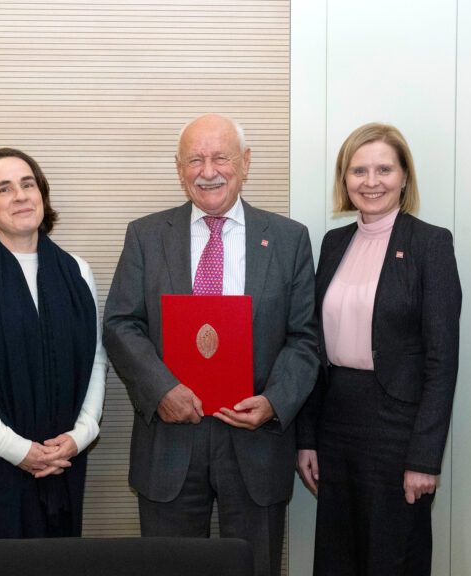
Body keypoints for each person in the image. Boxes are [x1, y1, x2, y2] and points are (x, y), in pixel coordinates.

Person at [103, 114, 319, 576]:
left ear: (245, 162)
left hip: (257, 441)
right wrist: (161, 390)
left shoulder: (288, 239)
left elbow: (305, 338)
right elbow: (121, 324)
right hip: (170, 442)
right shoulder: (145, 236)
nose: (208, 170)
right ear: (179, 168)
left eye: (220, 157)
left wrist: (274, 402)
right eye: (195, 159)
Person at [295, 123, 462, 575]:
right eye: (359, 170)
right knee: (338, 555)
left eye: (384, 169)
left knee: (392, 555)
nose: (371, 182)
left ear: (405, 176)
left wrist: (425, 458)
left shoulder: (430, 244)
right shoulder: (333, 243)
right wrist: (307, 438)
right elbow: (311, 348)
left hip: (398, 429)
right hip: (336, 423)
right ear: (344, 180)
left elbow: (442, 361)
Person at [0, 147, 106, 541]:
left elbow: (96, 361)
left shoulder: (77, 270)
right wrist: (17, 450)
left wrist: (80, 436)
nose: (21, 196)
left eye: (28, 184)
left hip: (63, 460)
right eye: (4, 189)